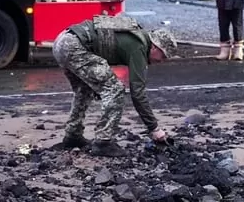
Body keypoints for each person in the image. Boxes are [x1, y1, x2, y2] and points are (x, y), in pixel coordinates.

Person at [52, 14, 177, 157]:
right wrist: (154, 128)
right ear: (155, 47)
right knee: (115, 90)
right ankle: (103, 142)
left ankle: (72, 136)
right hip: (74, 46)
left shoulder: (137, 36)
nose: (162, 61)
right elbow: (138, 93)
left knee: (83, 90)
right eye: (163, 56)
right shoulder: (139, 47)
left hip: (62, 41)